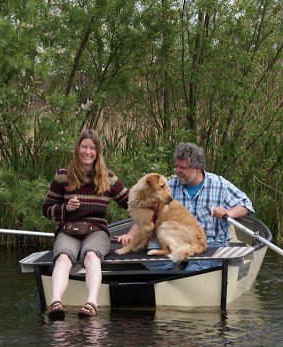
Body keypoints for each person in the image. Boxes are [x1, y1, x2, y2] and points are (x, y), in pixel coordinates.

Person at [42, 129, 138, 319]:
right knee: (63, 257)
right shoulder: (63, 176)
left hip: (97, 230)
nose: (88, 152)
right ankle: (55, 302)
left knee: (91, 256)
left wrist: (134, 230)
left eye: (92, 148)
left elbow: (135, 205)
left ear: (98, 152)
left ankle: (91, 303)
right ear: (78, 149)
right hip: (68, 230)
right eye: (84, 147)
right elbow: (46, 209)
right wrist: (65, 208)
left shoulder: (108, 178)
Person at [149, 142, 254, 271]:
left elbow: (246, 204)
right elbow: (148, 212)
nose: (177, 171)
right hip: (177, 240)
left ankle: (184, 276)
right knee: (150, 256)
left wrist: (229, 212)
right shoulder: (169, 186)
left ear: (197, 168)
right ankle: (170, 276)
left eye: (182, 167)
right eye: (176, 166)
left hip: (211, 244)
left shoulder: (220, 185)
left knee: (195, 268)